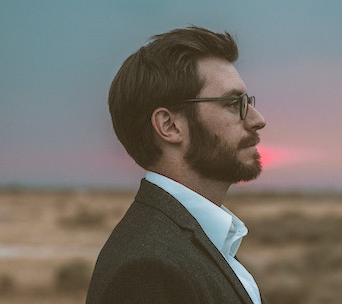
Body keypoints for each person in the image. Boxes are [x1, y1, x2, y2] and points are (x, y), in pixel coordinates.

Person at [86, 26, 267, 304]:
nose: (257, 119)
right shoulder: (147, 271)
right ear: (169, 126)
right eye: (233, 103)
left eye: (248, 102)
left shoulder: (197, 240)